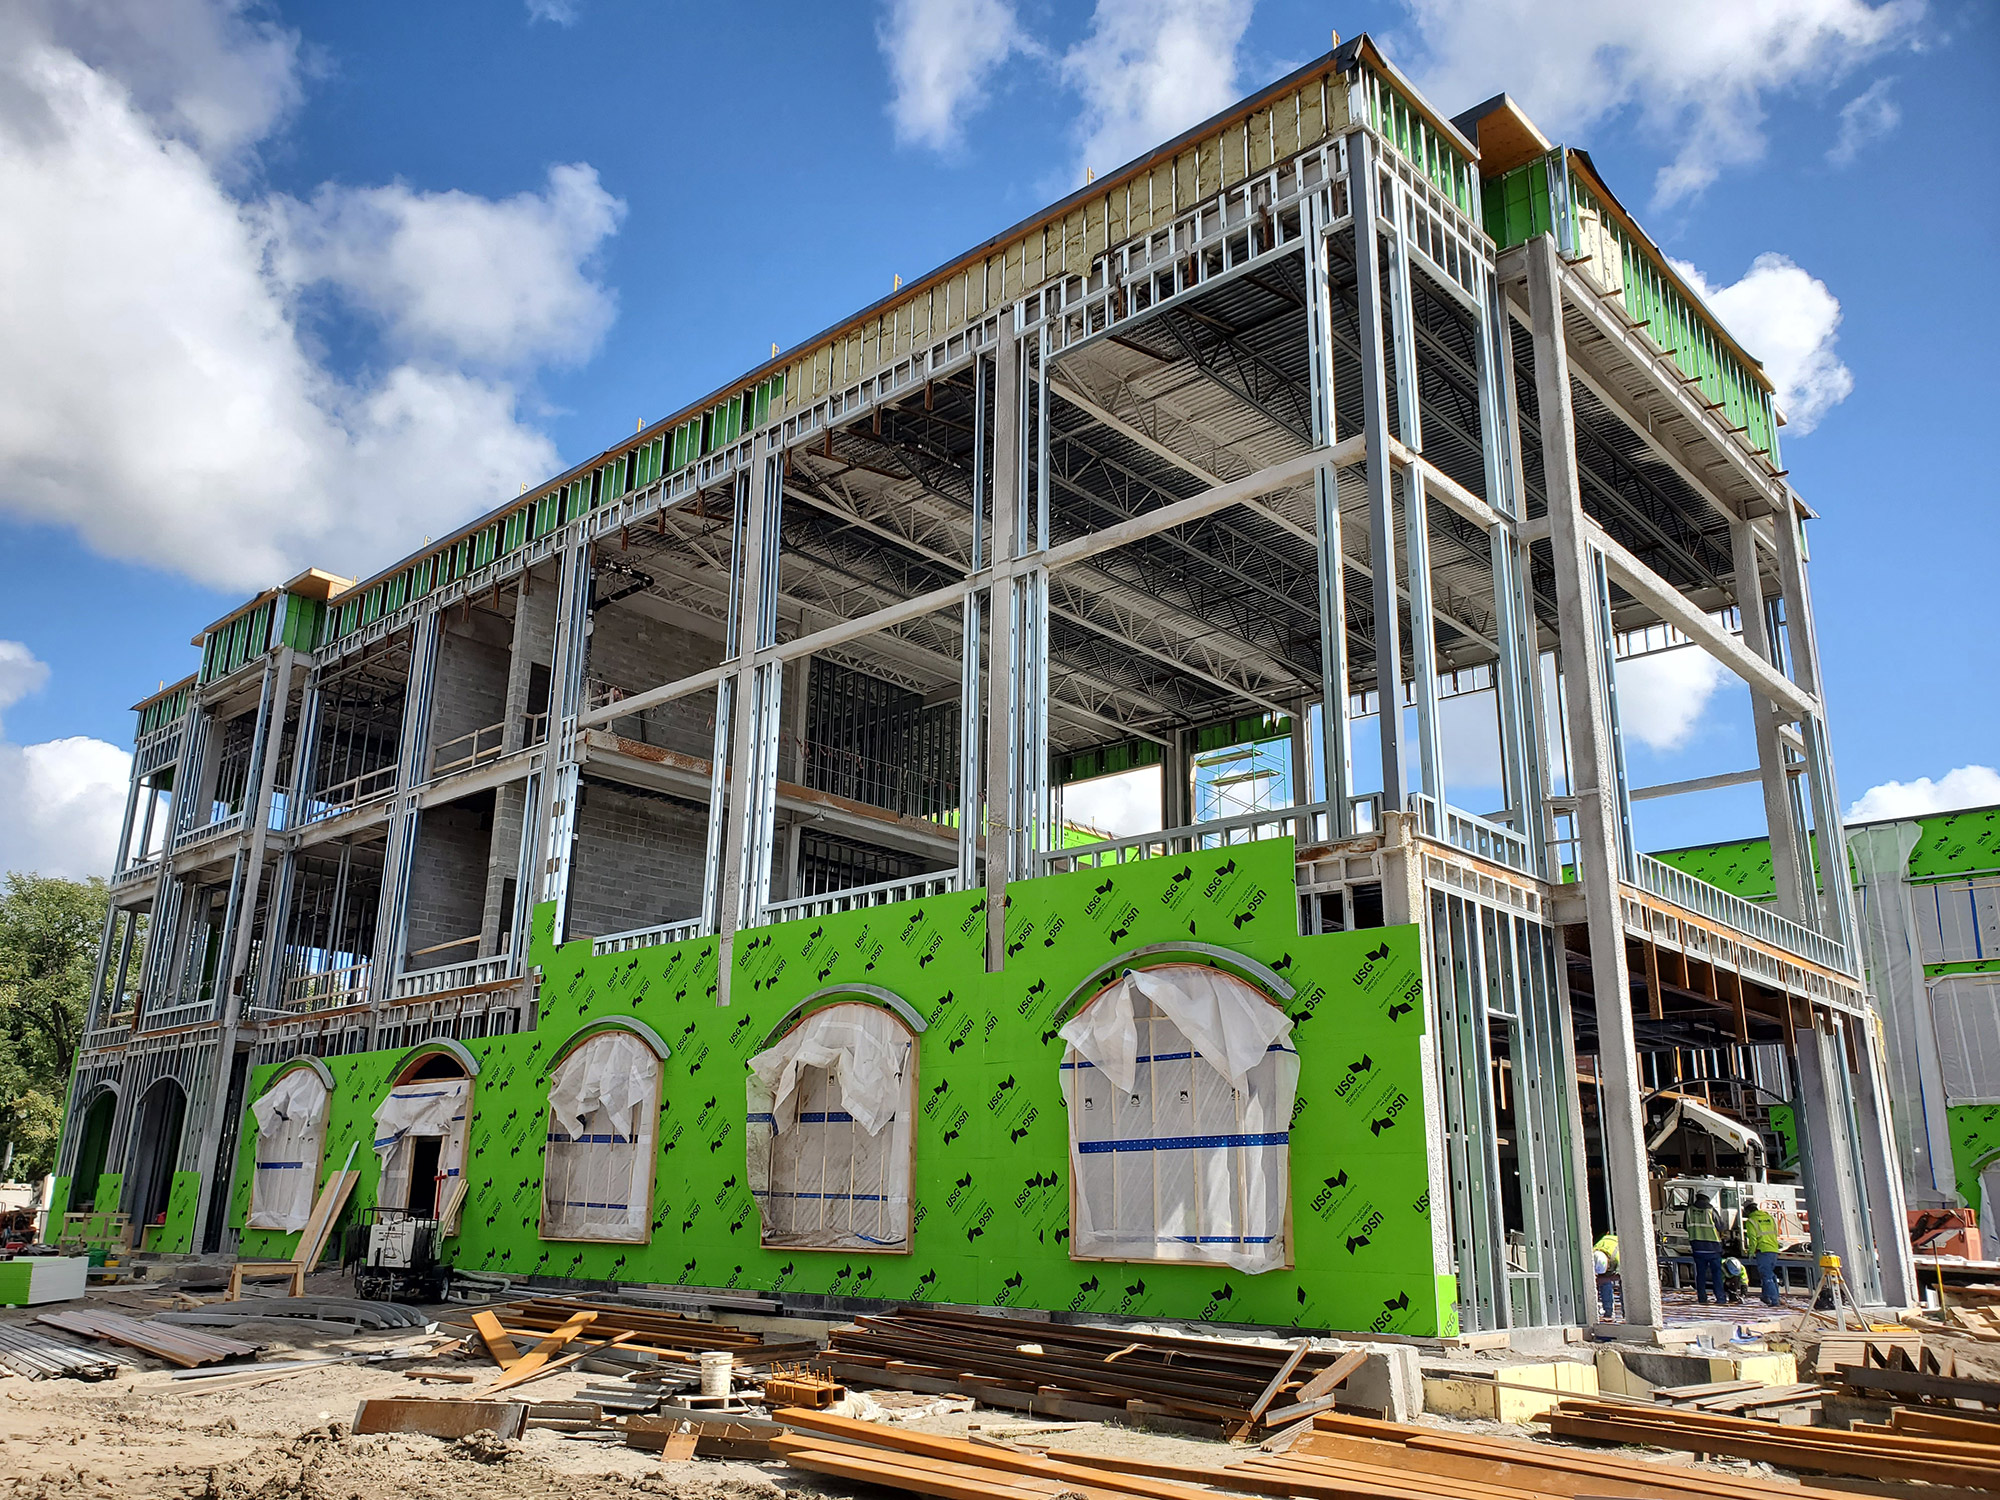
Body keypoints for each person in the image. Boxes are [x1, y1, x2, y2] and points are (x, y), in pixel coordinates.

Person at [1743, 1198, 1784, 1307]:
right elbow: (1775, 1232)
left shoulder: (1751, 1221)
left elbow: (1752, 1239)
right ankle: (1766, 1297)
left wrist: (1751, 1252)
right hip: (1773, 1250)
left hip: (1763, 1250)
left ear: (1747, 1211)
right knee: (1770, 1274)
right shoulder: (1769, 1218)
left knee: (1767, 1276)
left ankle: (1775, 1300)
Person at [1687, 1192, 1726, 1304]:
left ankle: (1702, 1298)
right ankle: (1720, 1298)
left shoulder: (1689, 1211)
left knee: (1700, 1274)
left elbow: (1686, 1226)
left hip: (1697, 1247)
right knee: (1717, 1274)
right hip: (1713, 1247)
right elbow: (1721, 1226)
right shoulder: (1710, 1210)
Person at [1594, 1231, 1621, 1320]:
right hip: (1607, 1245)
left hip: (1618, 1244)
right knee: (1605, 1283)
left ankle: (1627, 1315)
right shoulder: (1593, 1254)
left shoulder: (1618, 1257)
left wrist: (1605, 1279)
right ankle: (1608, 1313)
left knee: (1626, 1286)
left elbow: (1622, 1276)